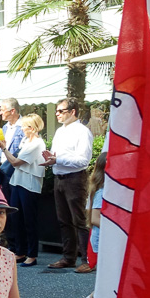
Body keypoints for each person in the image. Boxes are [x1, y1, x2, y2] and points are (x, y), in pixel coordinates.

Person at [41, 98, 93, 270]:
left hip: (75, 178)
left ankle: (86, 259)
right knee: (64, 220)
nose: (57, 114)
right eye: (56, 111)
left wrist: (58, 159)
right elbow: (60, 156)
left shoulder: (82, 131)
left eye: (61, 111)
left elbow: (83, 160)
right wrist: (52, 160)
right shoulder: (60, 131)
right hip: (59, 177)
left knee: (79, 220)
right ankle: (68, 257)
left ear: (73, 112)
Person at [71, 152, 108, 298]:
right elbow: (94, 218)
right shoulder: (102, 190)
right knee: (111, 279)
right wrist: (117, 228)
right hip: (104, 240)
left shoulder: (106, 187)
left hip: (107, 240)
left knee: (113, 279)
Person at [3, 114, 45, 267]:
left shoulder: (37, 144)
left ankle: (32, 254)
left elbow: (15, 162)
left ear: (32, 128)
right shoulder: (26, 141)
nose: (21, 129)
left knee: (29, 220)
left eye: (24, 127)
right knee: (16, 219)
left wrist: (4, 148)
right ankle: (20, 252)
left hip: (30, 185)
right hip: (18, 182)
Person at [0, 98, 24, 250]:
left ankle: (17, 245)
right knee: (5, 207)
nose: (0, 112)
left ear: (12, 111)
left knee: (14, 209)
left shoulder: (23, 127)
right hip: (3, 172)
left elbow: (20, 151)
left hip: (15, 171)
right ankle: (8, 240)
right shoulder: (4, 128)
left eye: (3, 109)